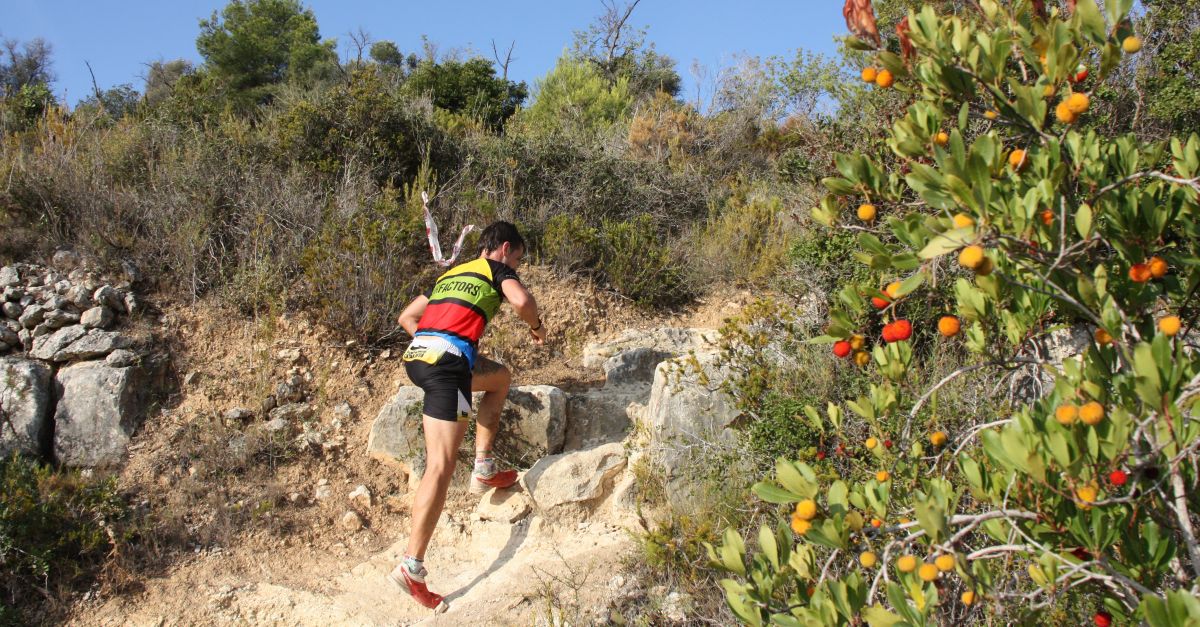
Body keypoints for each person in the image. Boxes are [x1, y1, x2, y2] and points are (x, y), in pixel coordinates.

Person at [386, 221, 545, 610]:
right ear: (504, 249)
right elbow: (522, 302)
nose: (518, 267)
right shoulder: (497, 269)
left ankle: (484, 466)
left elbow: (408, 317)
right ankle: (411, 567)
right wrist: (538, 328)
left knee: (500, 379)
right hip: (446, 367)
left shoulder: (451, 274)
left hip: (424, 361)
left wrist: (430, 342)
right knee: (439, 467)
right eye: (518, 259)